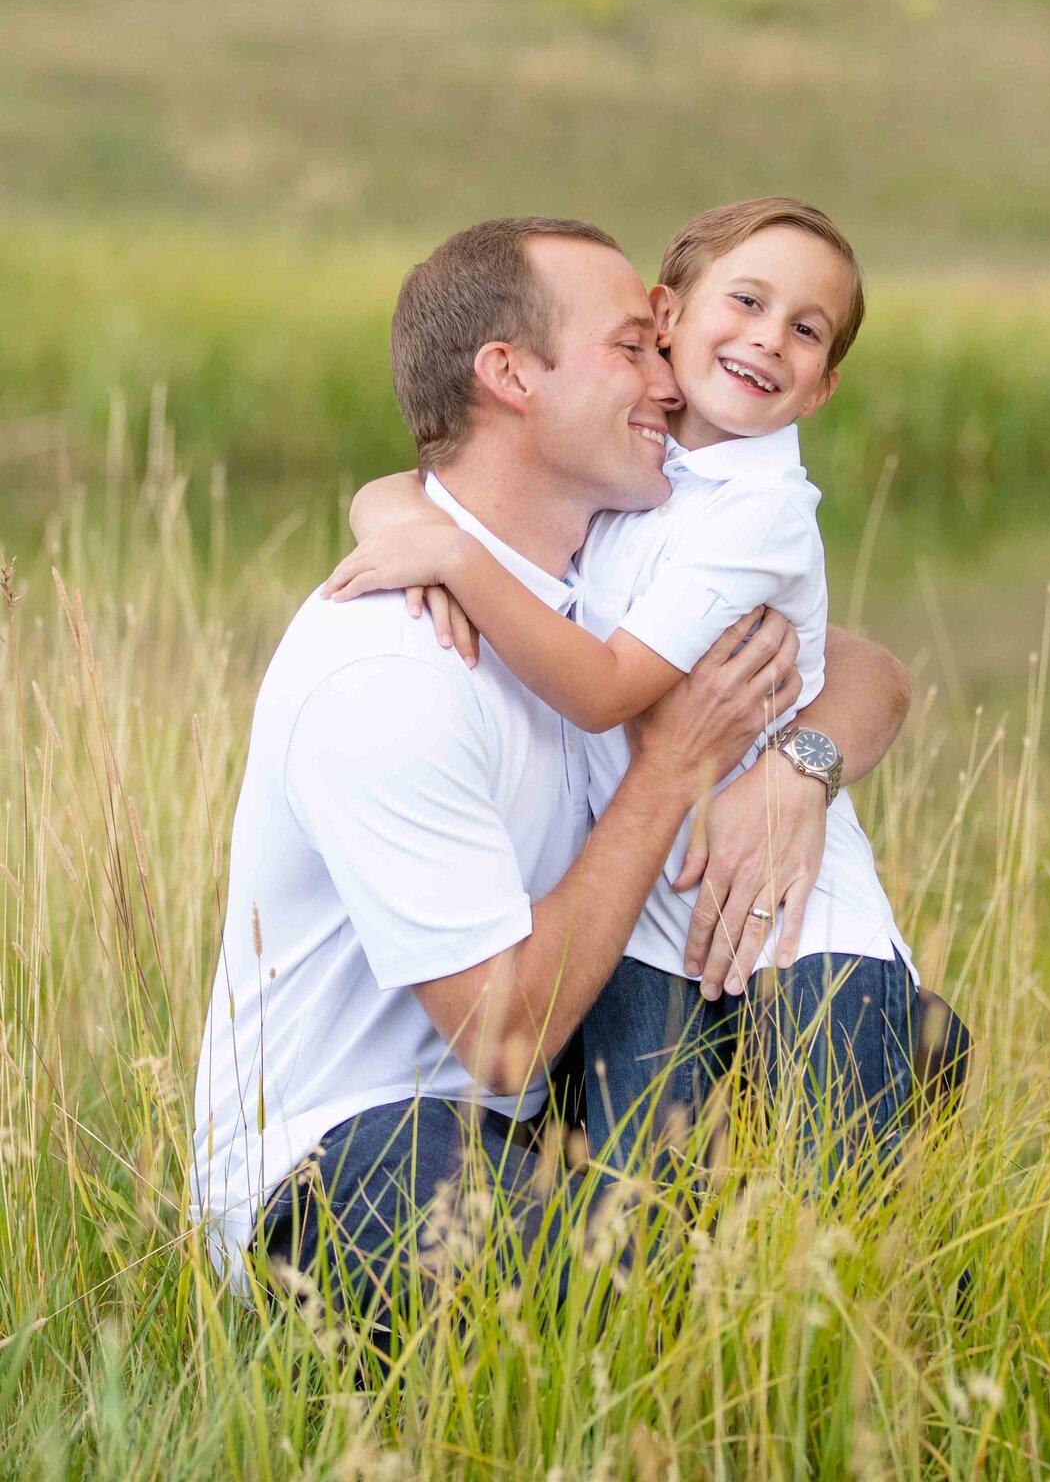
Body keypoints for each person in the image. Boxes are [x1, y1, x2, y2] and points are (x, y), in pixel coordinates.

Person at [191, 216, 911, 1338]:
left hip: (528, 1110)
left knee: (895, 1054)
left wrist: (800, 769)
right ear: (510, 375)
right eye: (635, 347)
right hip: (352, 1145)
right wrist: (671, 772)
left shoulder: (569, 582)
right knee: (665, 1311)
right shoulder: (392, 670)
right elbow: (506, 1039)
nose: (667, 380)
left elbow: (860, 665)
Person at [325, 198, 918, 1173]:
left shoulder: (758, 512)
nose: (770, 339)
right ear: (668, 316)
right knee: (647, 1216)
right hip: (641, 936)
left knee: (836, 1216)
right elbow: (438, 486)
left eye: (805, 330)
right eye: (749, 302)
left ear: (823, 387)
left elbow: (605, 688)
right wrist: (393, 514)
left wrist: (457, 565)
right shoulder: (634, 462)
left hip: (794, 926)